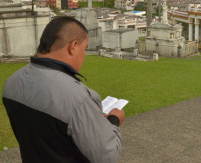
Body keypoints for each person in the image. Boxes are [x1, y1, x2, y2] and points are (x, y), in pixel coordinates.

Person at [2, 16, 125, 163]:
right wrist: (113, 120)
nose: (84, 56)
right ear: (73, 46)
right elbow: (107, 156)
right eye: (84, 49)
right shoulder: (80, 99)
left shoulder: (11, 83)